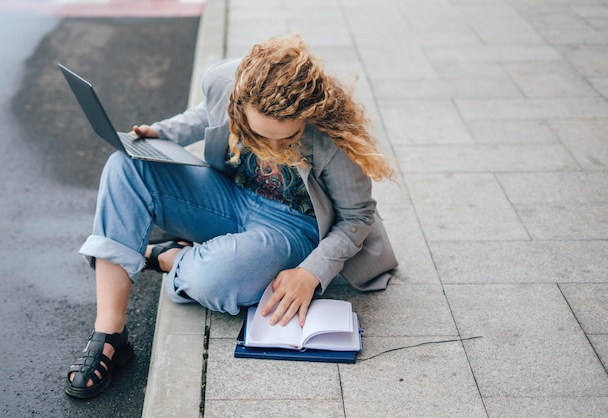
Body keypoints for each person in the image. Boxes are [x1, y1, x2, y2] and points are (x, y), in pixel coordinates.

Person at [64, 34, 398, 399]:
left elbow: (358, 215)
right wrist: (161, 133)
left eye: (288, 138)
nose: (274, 149)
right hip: (229, 194)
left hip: (291, 225)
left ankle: (172, 256)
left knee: (218, 278)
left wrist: (310, 272)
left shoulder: (328, 132)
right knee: (125, 164)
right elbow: (203, 114)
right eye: (260, 135)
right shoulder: (226, 83)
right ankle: (110, 334)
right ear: (240, 106)